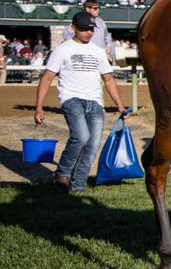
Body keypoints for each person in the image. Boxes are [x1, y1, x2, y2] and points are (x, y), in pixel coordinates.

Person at [34, 11, 129, 192]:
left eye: (91, 29)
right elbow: (46, 78)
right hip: (72, 99)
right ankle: (62, 174)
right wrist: (39, 108)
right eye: (84, 29)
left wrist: (120, 106)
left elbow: (108, 79)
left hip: (95, 102)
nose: (89, 33)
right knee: (81, 137)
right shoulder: (62, 50)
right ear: (74, 28)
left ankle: (78, 185)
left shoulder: (98, 51)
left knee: (92, 144)